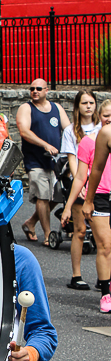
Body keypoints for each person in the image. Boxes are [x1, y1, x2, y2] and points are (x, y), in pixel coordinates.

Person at [61, 98, 109, 298]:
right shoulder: (88, 143)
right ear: (100, 117)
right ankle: (82, 278)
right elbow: (81, 175)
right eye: (106, 116)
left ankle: (105, 278)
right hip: (96, 195)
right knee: (98, 241)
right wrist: (68, 206)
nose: (109, 120)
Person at [16, 78, 70, 246]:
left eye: (39, 88)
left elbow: (68, 129)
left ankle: (31, 222)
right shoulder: (26, 108)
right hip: (35, 161)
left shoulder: (56, 108)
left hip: (55, 161)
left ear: (47, 90)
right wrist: (45, 145)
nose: (35, 91)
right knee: (42, 196)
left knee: (58, 196)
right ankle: (47, 234)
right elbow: (24, 131)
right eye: (32, 88)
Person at [75, 107, 111, 313]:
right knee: (105, 245)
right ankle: (105, 292)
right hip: (102, 196)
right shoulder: (105, 134)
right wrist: (88, 200)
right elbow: (95, 168)